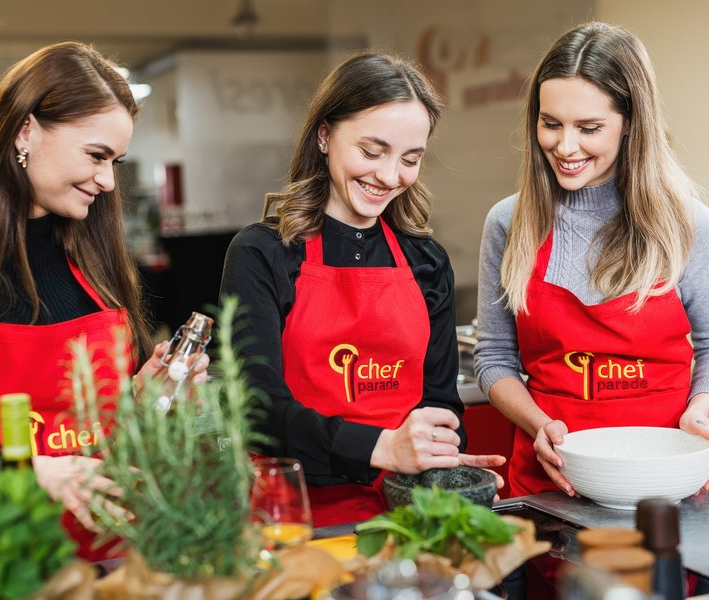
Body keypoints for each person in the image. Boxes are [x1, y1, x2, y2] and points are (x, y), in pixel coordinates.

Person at [0, 41, 207, 560]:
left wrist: (143, 403)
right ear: (25, 130)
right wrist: (31, 471)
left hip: (107, 558)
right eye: (96, 156)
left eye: (115, 161)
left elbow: (101, 437)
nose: (108, 181)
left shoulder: (98, 263)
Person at [220, 52, 504, 528]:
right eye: (372, 152)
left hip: (404, 511)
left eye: (410, 159)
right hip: (294, 516)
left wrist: (446, 468)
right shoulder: (263, 253)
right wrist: (381, 447)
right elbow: (257, 409)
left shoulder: (426, 260)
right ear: (324, 135)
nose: (390, 177)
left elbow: (440, 403)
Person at [474, 21, 709, 499]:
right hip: (549, 485)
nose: (565, 147)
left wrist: (700, 409)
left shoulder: (687, 223)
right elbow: (494, 358)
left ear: (631, 122)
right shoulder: (509, 223)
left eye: (589, 128)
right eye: (551, 124)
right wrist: (538, 424)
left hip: (666, 485)